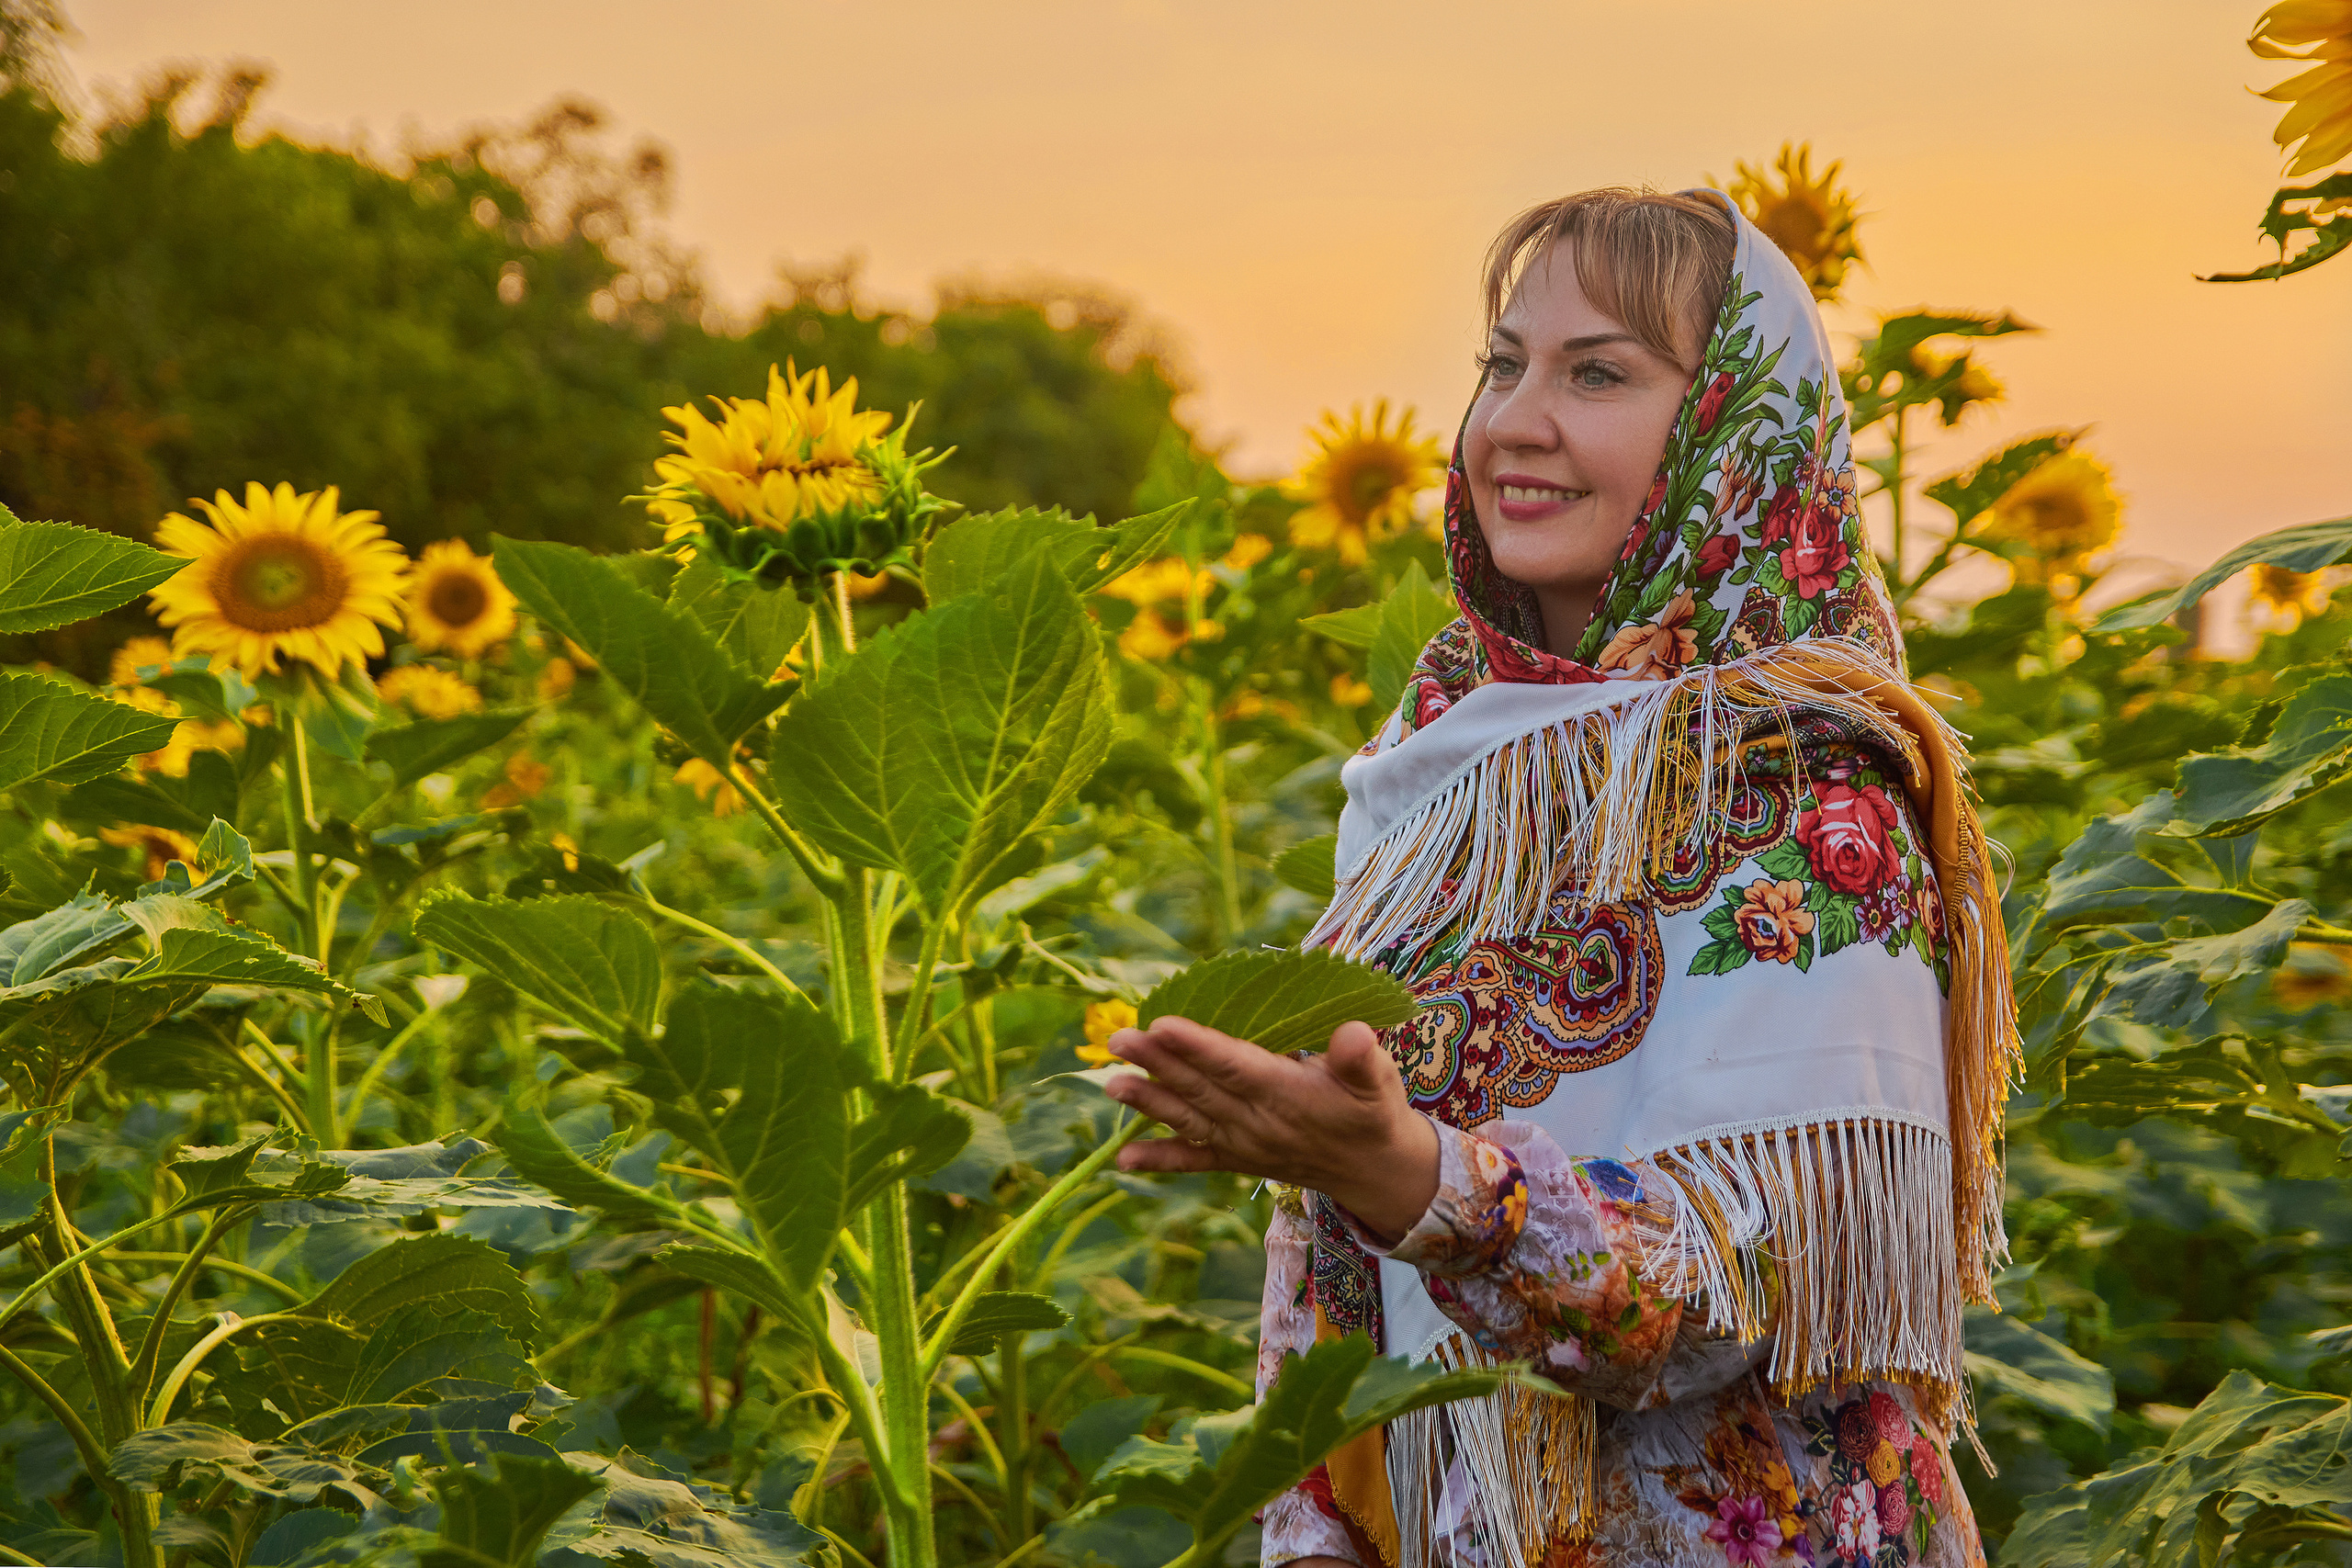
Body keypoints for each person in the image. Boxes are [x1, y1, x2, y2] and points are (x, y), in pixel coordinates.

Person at [1102, 186, 2017, 1567]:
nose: (1513, 423)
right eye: (1503, 363)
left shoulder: (1809, 786)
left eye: (1597, 373)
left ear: (1731, 437)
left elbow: (1734, 1288)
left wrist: (1426, 1185)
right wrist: (1314, 1534)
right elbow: (1328, 1275)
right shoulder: (1441, 764)